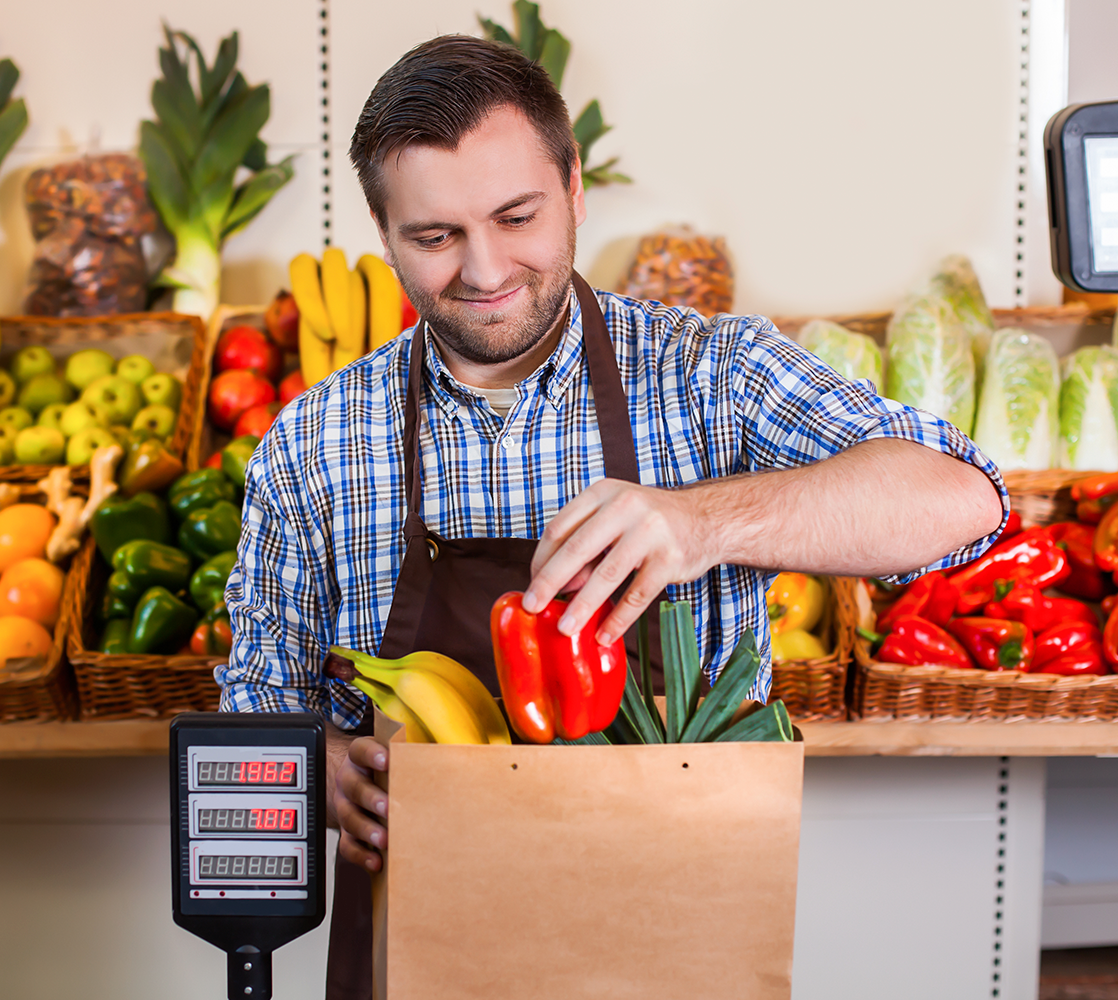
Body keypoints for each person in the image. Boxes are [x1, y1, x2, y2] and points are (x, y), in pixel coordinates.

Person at [216, 34, 1007, 998]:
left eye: (518, 215)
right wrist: (324, 768)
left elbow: (963, 499)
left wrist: (705, 525)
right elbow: (254, 717)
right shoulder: (313, 442)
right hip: (423, 926)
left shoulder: (710, 373)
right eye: (435, 237)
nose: (485, 267)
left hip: (676, 921)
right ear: (384, 234)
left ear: (575, 188)